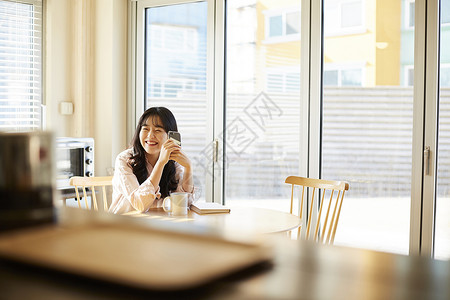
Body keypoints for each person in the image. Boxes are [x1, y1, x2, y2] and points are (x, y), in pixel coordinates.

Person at [109, 107, 194, 214]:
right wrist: (161, 163)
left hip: (157, 223)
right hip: (124, 224)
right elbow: (140, 204)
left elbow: (184, 204)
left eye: (158, 130)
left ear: (170, 136)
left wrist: (188, 168)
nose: (150, 136)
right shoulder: (124, 160)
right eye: (145, 129)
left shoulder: (173, 162)